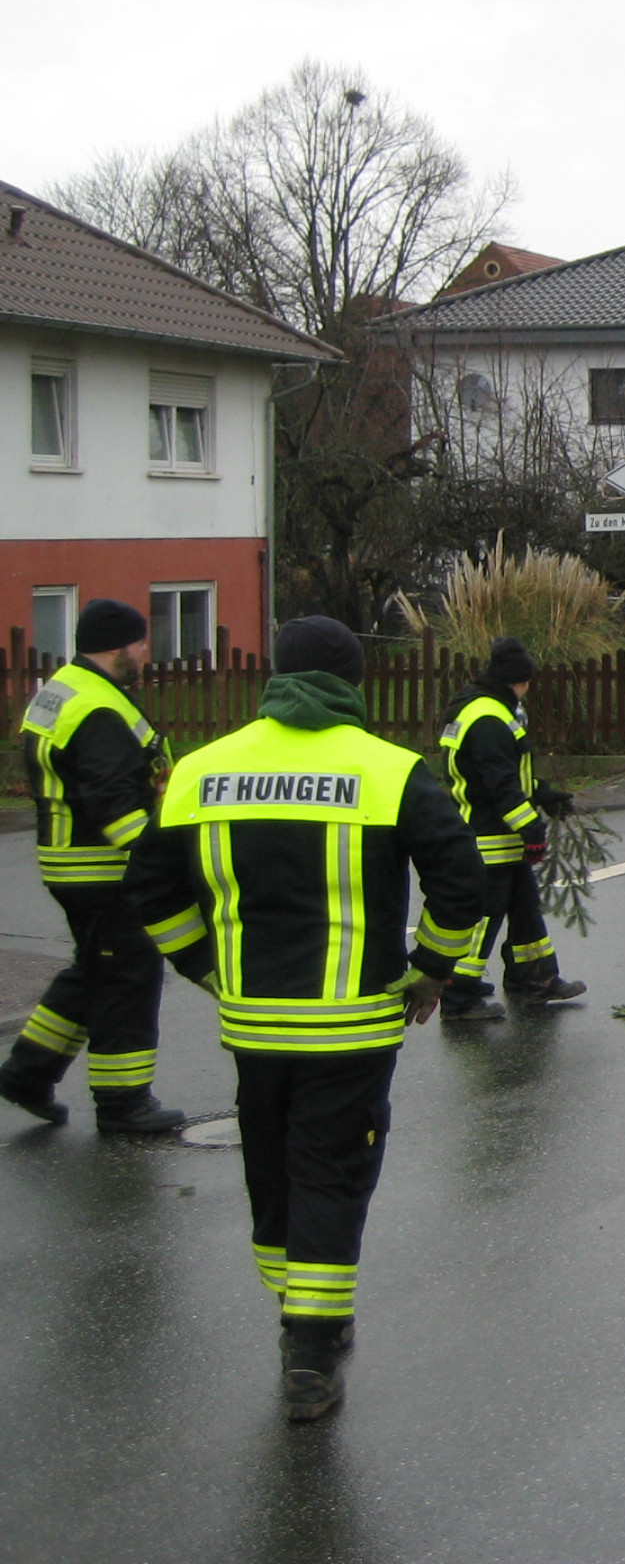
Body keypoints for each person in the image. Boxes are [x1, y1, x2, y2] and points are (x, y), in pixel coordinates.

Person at [125, 616, 487, 1421]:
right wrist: (429, 971)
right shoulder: (389, 771)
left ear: (276, 677)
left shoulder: (200, 770)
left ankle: (301, 1301)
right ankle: (311, 1353)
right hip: (353, 1025)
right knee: (332, 1171)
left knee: (275, 1167)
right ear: (354, 682)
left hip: (252, 1024)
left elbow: (149, 890)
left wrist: (205, 967)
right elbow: (463, 883)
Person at [0, 599, 185, 1133]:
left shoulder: (64, 690)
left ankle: (27, 1072)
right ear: (117, 646)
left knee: (95, 969)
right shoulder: (100, 709)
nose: (146, 653)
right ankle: (123, 1102)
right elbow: (113, 802)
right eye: (141, 642)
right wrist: (155, 864)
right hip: (102, 868)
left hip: (69, 862)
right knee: (129, 972)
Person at [434, 636, 585, 1020]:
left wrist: (544, 794)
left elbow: (510, 776)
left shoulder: (484, 710)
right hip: (488, 838)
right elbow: (499, 785)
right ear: (517, 681)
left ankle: (534, 980)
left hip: (498, 836)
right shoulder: (489, 719)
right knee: (484, 919)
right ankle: (458, 997)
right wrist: (531, 828)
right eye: (527, 682)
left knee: (525, 909)